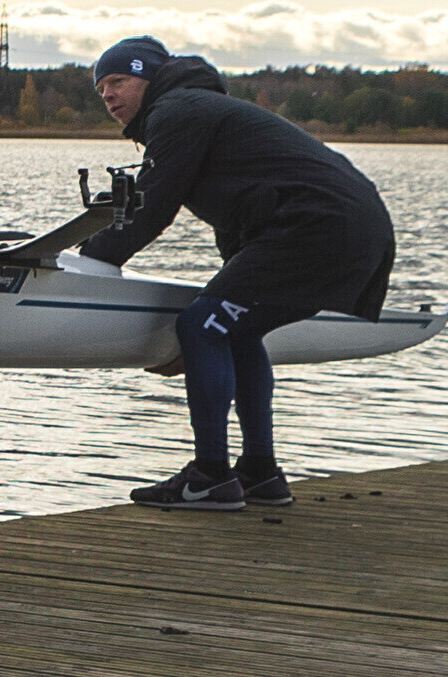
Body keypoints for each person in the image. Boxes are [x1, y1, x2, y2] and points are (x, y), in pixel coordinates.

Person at [73, 36, 397, 512]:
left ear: (149, 77)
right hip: (350, 227)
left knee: (200, 327)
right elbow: (237, 225)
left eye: (118, 80)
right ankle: (260, 473)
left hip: (317, 225)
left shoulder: (176, 111)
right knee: (234, 331)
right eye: (100, 88)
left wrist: (88, 264)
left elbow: (152, 208)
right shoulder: (202, 111)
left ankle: (209, 478)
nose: (107, 94)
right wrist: (216, 317)